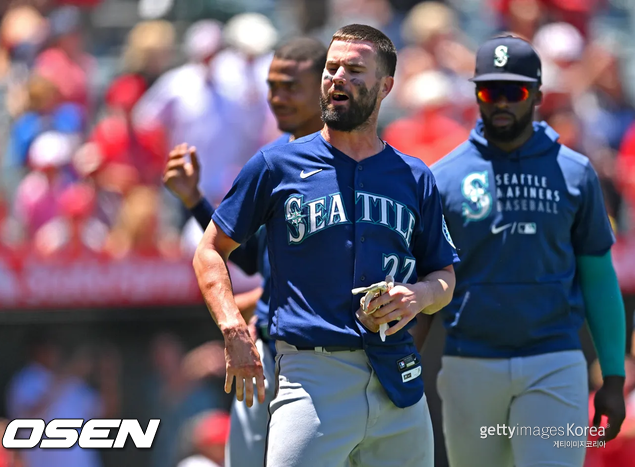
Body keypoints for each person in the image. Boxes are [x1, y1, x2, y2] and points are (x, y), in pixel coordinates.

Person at [193, 24, 458, 467]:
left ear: (385, 85)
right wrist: (234, 330)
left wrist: (420, 295)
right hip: (312, 378)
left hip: (399, 380)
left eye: (355, 70)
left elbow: (444, 276)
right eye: (331, 68)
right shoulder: (277, 164)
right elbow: (209, 250)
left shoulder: (414, 175)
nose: (337, 77)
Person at [429, 34, 627, 467]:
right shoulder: (441, 178)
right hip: (469, 364)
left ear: (537, 94)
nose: (500, 102)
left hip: (553, 363)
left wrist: (613, 376)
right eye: (488, 91)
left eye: (513, 91)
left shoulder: (576, 173)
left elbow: (598, 277)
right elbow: (426, 281)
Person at [163, 36, 327, 467]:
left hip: (331, 361)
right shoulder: (273, 161)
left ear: (326, 89)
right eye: (273, 86)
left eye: (292, 85)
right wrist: (195, 200)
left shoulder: (357, 164)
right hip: (271, 352)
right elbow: (253, 259)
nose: (278, 97)